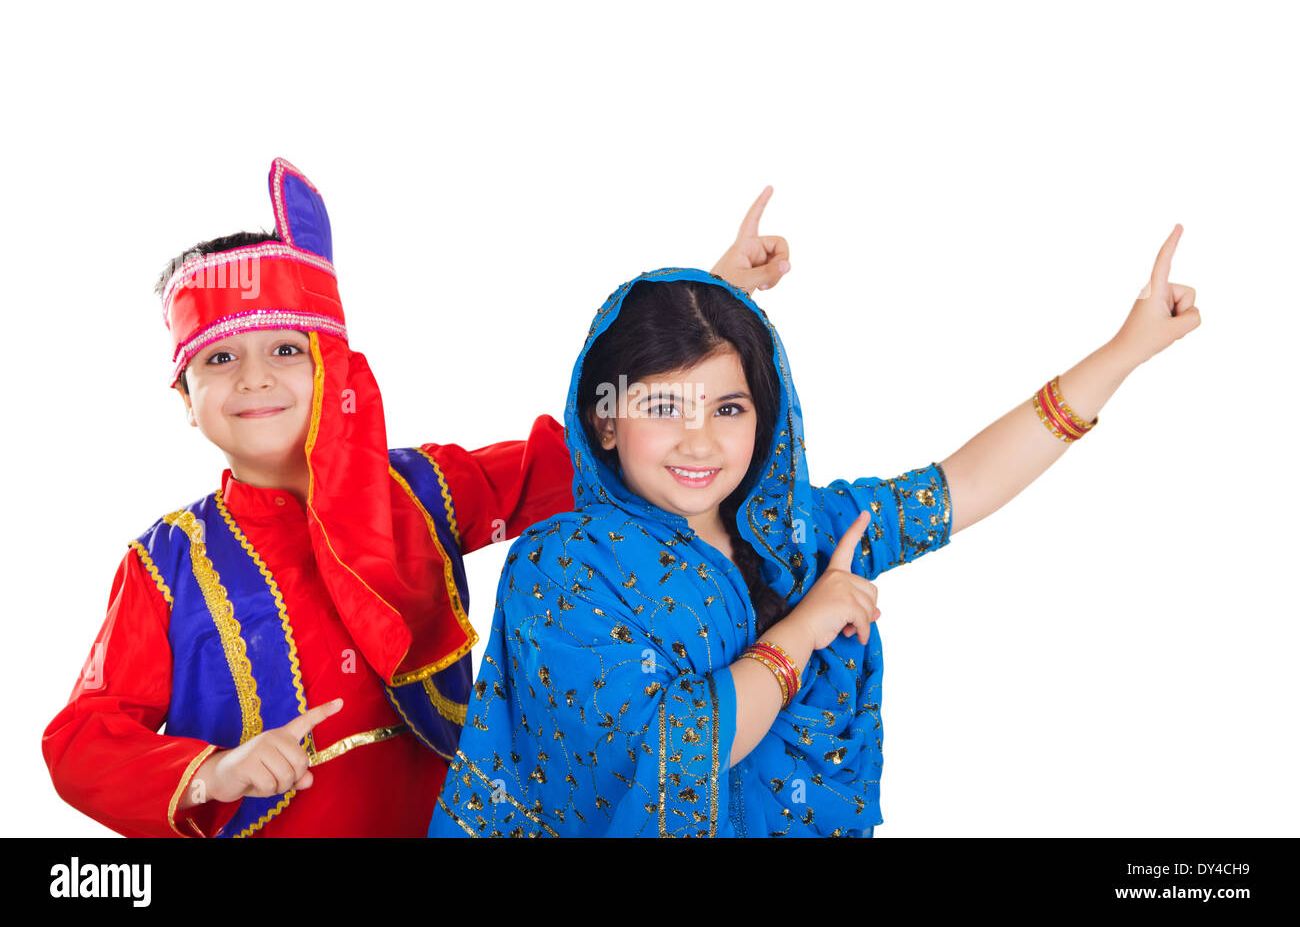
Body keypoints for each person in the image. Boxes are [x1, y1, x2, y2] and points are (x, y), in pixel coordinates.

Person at [41, 159, 789, 837]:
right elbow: (82, 738)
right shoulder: (167, 564)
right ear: (183, 395)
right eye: (221, 357)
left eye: (287, 350)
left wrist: (708, 300)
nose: (255, 378)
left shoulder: (419, 490)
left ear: (333, 363)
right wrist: (215, 770)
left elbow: (589, 450)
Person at [430, 233, 1199, 837]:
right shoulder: (559, 570)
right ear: (605, 421)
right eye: (664, 409)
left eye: (727, 410)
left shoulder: (801, 537)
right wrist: (804, 630)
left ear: (765, 418)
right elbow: (672, 754)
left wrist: (1125, 351)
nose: (699, 443)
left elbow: (963, 484)